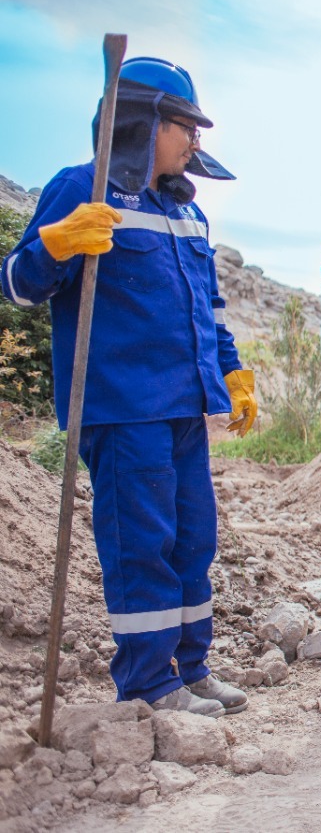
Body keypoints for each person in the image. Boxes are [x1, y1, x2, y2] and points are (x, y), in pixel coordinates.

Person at [0, 57, 255, 717]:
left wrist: (231, 370)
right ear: (144, 120)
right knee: (141, 543)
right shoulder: (80, 190)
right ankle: (148, 682)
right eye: (185, 126)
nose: (195, 141)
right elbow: (20, 285)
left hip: (183, 406)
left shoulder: (186, 214)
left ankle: (190, 668)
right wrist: (55, 244)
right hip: (123, 406)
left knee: (193, 539)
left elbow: (209, 307)